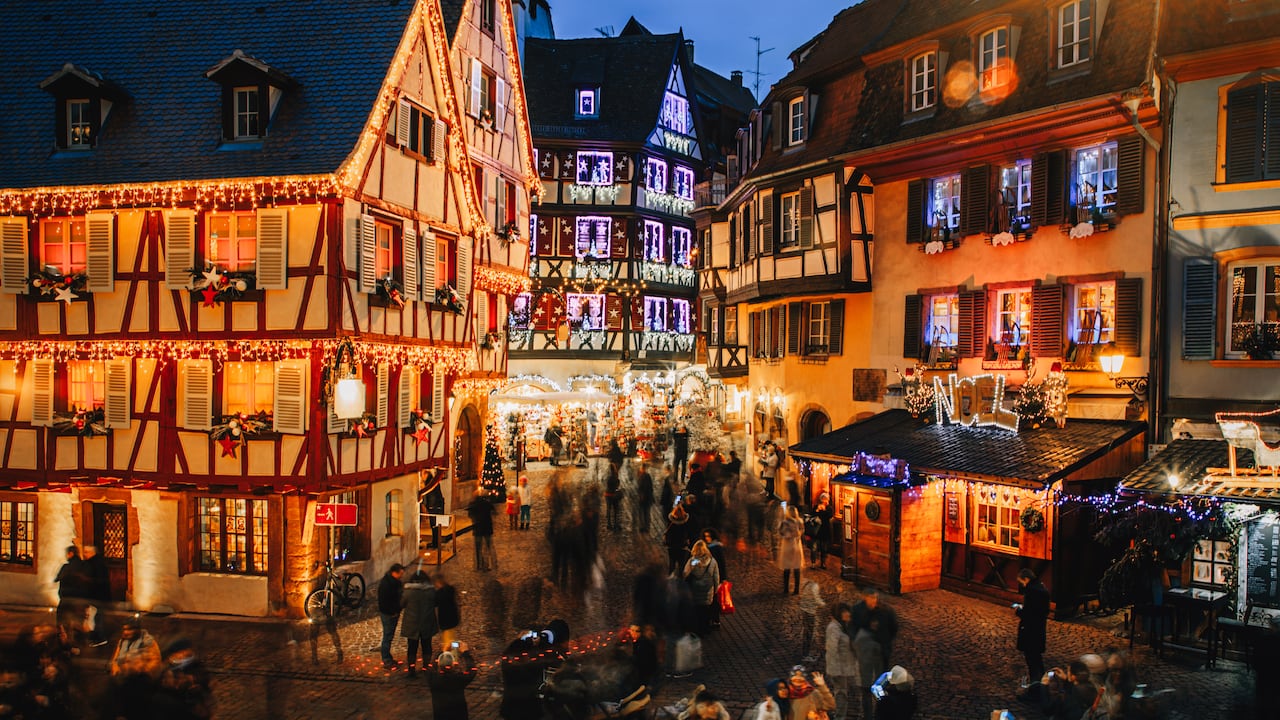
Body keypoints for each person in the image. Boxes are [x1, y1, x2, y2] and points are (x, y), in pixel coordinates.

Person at [153, 638, 213, 720]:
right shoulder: (165, 669)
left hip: (193, 709)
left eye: (186, 651)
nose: (183, 655)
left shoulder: (195, 665)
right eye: (180, 652)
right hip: (172, 708)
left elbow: (203, 680)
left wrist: (192, 680)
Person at [1015, 568, 1050, 702]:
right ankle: (1041, 686)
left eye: (1022, 582)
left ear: (1025, 579)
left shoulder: (1032, 591)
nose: (1022, 586)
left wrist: (1019, 611)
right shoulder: (1041, 588)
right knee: (1037, 661)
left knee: (1033, 662)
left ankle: (1036, 690)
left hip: (1030, 632)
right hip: (1039, 630)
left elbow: (1029, 614)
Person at [401, 569, 438, 677]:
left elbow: (402, 604)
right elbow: (436, 603)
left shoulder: (408, 591)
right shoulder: (431, 591)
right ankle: (426, 667)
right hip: (427, 622)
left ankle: (411, 670)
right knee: (426, 646)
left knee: (412, 647)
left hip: (412, 623)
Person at [426, 643, 478, 719]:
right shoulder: (459, 678)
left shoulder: (432, 678)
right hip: (459, 715)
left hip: (440, 715)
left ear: (439, 664)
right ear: (453, 665)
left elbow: (431, 667)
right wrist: (465, 653)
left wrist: (442, 651)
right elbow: (472, 670)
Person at [851, 587, 899, 669]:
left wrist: (887, 640)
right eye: (872, 597)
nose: (874, 600)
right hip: (865, 646)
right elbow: (853, 626)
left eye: (875, 597)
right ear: (864, 597)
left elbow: (894, 627)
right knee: (865, 670)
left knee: (882, 670)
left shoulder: (886, 610)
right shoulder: (857, 609)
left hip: (882, 646)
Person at [826, 603, 858, 720]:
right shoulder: (833, 628)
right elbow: (831, 650)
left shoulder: (844, 626)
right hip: (839, 669)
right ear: (839, 614)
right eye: (845, 612)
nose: (848, 614)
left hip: (848, 666)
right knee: (841, 694)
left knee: (846, 693)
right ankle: (839, 717)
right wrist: (834, 670)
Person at [683, 540, 721, 635]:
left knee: (697, 610)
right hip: (708, 590)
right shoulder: (712, 561)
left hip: (695, 589)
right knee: (706, 609)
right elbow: (716, 577)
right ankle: (705, 628)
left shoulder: (693, 561)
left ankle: (697, 629)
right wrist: (715, 590)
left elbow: (685, 573)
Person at [54, 545, 88, 634]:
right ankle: (78, 642)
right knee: (79, 622)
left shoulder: (66, 567)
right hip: (81, 599)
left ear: (71, 554)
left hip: (67, 598)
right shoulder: (84, 566)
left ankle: (64, 639)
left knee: (62, 620)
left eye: (67, 554)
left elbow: (57, 578)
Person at [377, 563, 406, 668]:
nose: (401, 576)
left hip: (393, 612)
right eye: (400, 574)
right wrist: (393, 611)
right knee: (387, 636)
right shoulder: (387, 584)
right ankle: (386, 659)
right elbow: (384, 601)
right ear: (395, 572)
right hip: (389, 614)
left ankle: (388, 657)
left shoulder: (394, 582)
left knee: (389, 636)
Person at [777, 505, 805, 594]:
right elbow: (801, 531)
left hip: (787, 546)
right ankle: (796, 589)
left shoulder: (785, 522)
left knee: (787, 567)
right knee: (797, 567)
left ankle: (786, 588)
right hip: (797, 546)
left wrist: (787, 535)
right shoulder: (799, 521)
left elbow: (780, 532)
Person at [468, 490, 497, 571]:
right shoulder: (487, 503)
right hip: (487, 528)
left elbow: (470, 514)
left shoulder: (473, 504)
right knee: (487, 546)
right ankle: (488, 565)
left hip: (477, 528)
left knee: (478, 548)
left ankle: (478, 565)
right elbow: (494, 511)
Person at [799, 580, 824, 662]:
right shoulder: (815, 586)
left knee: (806, 632)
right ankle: (805, 655)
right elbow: (816, 598)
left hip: (804, 610)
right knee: (809, 633)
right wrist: (823, 604)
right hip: (810, 612)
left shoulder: (807, 583)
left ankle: (804, 653)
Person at [433, 572, 461, 647]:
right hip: (453, 618)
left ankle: (452, 653)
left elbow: (435, 603)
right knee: (452, 638)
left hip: (445, 619)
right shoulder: (451, 589)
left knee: (448, 640)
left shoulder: (440, 593)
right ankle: (455, 651)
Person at [666, 504, 692, 574]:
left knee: (672, 565)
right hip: (682, 547)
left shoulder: (671, 524)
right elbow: (688, 534)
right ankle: (681, 580)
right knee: (682, 565)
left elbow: (668, 535)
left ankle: (670, 578)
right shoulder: (685, 524)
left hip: (672, 547)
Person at [812, 493, 834, 569]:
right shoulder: (816, 506)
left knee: (824, 548)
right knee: (814, 547)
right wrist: (818, 510)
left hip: (825, 530)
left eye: (826, 500)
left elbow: (829, 516)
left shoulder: (829, 508)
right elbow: (813, 515)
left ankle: (823, 563)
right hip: (816, 530)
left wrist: (823, 510)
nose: (824, 501)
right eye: (823, 500)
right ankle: (813, 563)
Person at [635, 463, 656, 534]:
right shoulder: (646, 476)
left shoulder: (643, 476)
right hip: (647, 498)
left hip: (644, 498)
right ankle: (646, 527)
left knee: (643, 513)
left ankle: (643, 527)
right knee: (646, 513)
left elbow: (641, 488)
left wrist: (641, 495)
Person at [605, 462, 623, 531]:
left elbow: (607, 483)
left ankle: (609, 524)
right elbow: (617, 484)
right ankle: (615, 524)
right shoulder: (615, 476)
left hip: (608, 495)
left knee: (609, 510)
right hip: (614, 495)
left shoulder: (607, 475)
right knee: (615, 510)